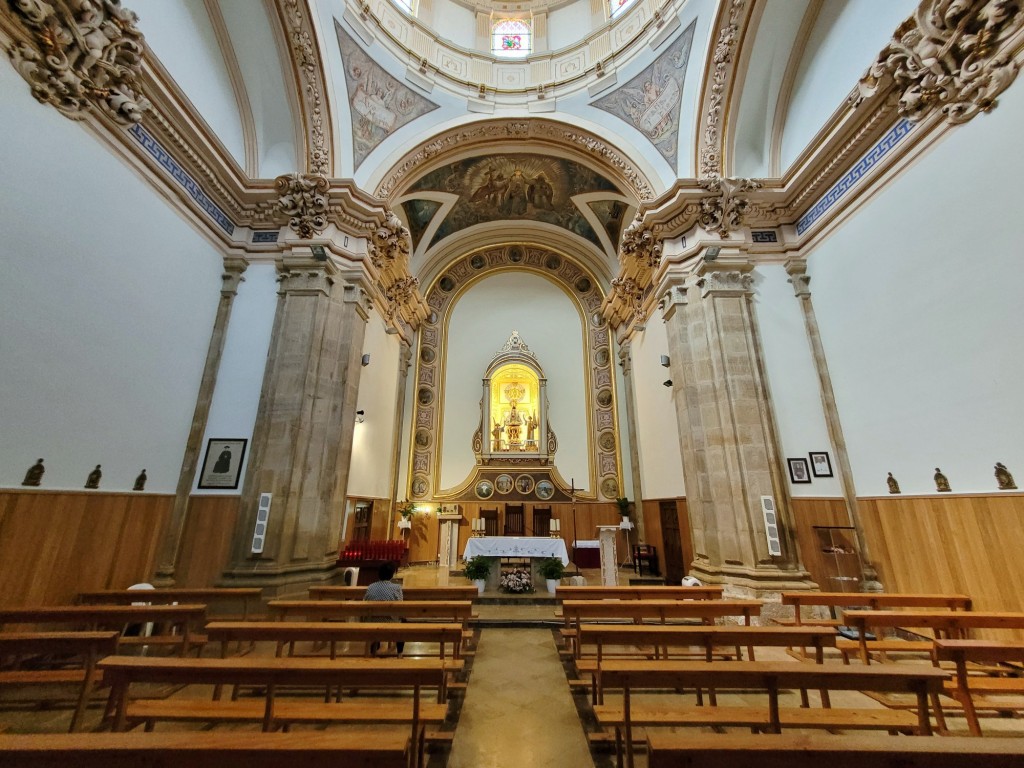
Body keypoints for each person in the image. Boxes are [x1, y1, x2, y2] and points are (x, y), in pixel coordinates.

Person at [363, 562, 404, 657]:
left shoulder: (371, 587)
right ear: (392, 575)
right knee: (403, 622)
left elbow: (365, 601)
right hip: (391, 622)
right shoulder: (396, 588)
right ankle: (400, 653)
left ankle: (374, 647)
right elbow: (401, 607)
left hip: (371, 622)